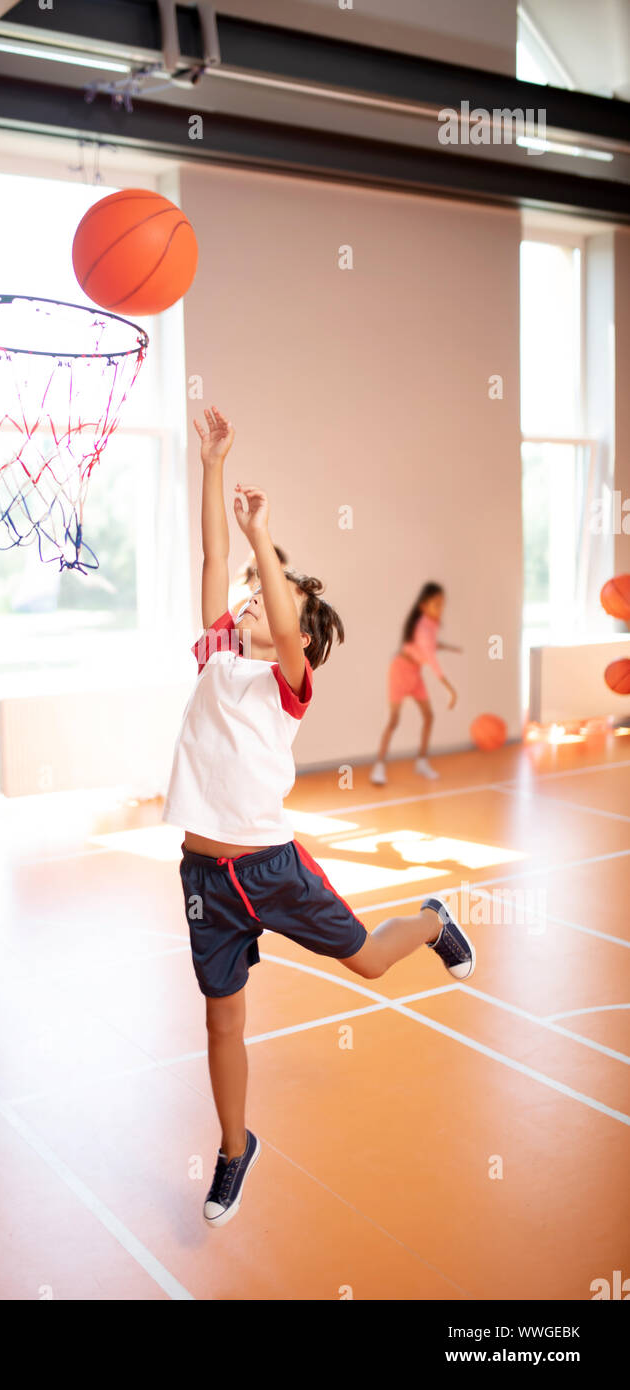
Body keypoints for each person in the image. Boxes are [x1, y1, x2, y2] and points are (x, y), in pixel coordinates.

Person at [162, 407, 475, 1228]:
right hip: (207, 876)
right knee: (221, 1018)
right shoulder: (220, 654)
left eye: (276, 602)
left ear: (297, 632)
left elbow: (277, 603)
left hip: (271, 867)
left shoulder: (287, 682)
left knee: (370, 962)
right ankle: (235, 1150)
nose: (255, 603)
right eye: (256, 599)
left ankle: (433, 921)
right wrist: (214, 466)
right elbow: (213, 557)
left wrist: (269, 542)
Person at [370, 583, 461, 786]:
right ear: (423, 606)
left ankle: (421, 761)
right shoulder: (422, 627)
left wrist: (449, 647)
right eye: (436, 604)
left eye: (442, 604)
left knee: (429, 716)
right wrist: (451, 690)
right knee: (394, 720)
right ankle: (379, 766)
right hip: (400, 669)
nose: (441, 608)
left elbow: (427, 647)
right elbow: (431, 658)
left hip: (415, 672)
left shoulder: (432, 624)